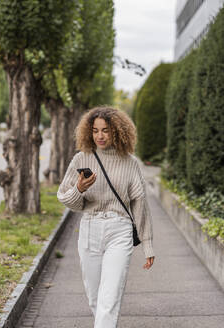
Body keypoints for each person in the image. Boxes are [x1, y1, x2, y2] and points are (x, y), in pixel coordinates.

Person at [57, 106, 155, 328]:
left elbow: (140, 204)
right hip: (90, 229)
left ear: (118, 132)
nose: (99, 136)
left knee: (108, 298)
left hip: (119, 231)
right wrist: (79, 189)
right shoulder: (82, 158)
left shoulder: (130, 163)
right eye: (95, 130)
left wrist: (148, 244)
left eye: (106, 130)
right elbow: (66, 198)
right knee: (95, 298)